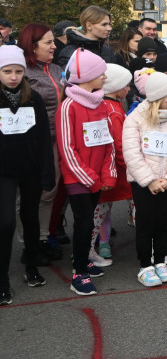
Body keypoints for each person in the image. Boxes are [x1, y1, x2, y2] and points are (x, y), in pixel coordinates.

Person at [56, 49, 115, 296]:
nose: (104, 76)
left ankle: (82, 259)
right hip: (78, 177)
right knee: (84, 221)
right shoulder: (68, 106)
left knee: (89, 220)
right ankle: (79, 272)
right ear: (88, 76)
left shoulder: (100, 103)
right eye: (100, 73)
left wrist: (107, 174)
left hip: (97, 178)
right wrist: (91, 178)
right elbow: (67, 149)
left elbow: (106, 141)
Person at [123, 72, 167, 287]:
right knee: (145, 221)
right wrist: (149, 180)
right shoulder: (135, 119)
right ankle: (145, 265)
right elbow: (132, 153)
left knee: (163, 221)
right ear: (156, 97)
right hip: (143, 181)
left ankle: (160, 261)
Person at [0, 45, 54, 303]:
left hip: (30, 168)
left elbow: (44, 138)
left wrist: (47, 174)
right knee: (6, 223)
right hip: (3, 172)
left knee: (31, 219)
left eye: (18, 71)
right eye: (7, 71)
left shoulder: (33, 98)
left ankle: (31, 267)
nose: (13, 76)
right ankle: (2, 280)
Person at [18, 23, 65, 253]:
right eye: (48, 42)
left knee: (50, 191)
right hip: (30, 143)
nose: (54, 46)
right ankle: (29, 242)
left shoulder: (56, 70)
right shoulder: (22, 72)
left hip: (55, 141)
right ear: (32, 46)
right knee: (28, 194)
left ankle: (43, 237)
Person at [92, 65, 132, 266]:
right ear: (117, 88)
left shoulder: (100, 105)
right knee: (133, 203)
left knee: (101, 208)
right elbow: (119, 143)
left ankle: (101, 243)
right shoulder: (115, 110)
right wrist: (130, 164)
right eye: (126, 85)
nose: (129, 89)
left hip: (103, 166)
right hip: (119, 168)